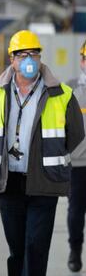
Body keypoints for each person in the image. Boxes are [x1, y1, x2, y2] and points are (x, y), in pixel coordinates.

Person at [0, 30, 84, 276]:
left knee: (36, 247)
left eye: (34, 54)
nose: (29, 60)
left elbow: (76, 134)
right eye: (23, 55)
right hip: (9, 182)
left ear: (40, 58)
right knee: (17, 249)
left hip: (44, 181)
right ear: (12, 60)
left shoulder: (61, 94)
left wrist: (49, 154)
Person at [66, 40, 86, 272]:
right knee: (75, 212)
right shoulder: (70, 90)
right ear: (82, 61)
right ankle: (75, 250)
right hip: (77, 164)